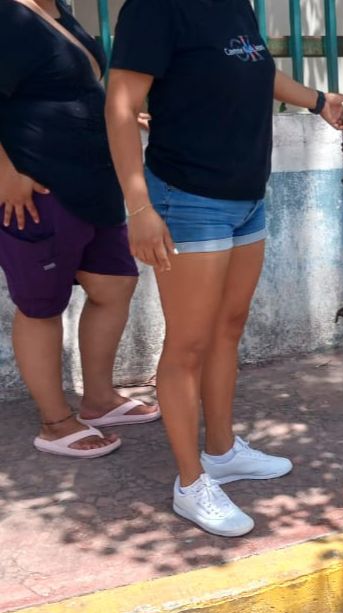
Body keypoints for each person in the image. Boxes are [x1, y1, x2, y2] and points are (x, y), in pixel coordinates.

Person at [106, 0, 343, 537]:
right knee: (188, 345)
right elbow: (121, 106)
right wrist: (139, 207)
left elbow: (256, 70)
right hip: (187, 198)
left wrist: (318, 102)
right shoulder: (154, 10)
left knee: (228, 328)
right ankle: (191, 484)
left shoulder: (234, 5)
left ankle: (221, 452)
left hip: (247, 196)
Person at [0, 0, 160, 459]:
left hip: (92, 183)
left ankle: (99, 399)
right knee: (40, 306)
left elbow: (68, 88)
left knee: (116, 284)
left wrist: (113, 116)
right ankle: (54, 423)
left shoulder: (58, 11)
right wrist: (5, 173)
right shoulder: (8, 17)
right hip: (37, 189)